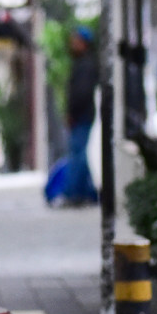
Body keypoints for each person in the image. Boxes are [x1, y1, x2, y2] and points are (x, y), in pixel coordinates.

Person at [61, 27, 99, 205]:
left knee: (78, 155)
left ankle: (76, 193)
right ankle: (84, 192)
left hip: (82, 116)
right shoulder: (83, 63)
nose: (72, 44)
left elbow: (82, 94)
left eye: (76, 40)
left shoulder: (86, 65)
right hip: (81, 116)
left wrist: (73, 113)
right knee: (78, 154)